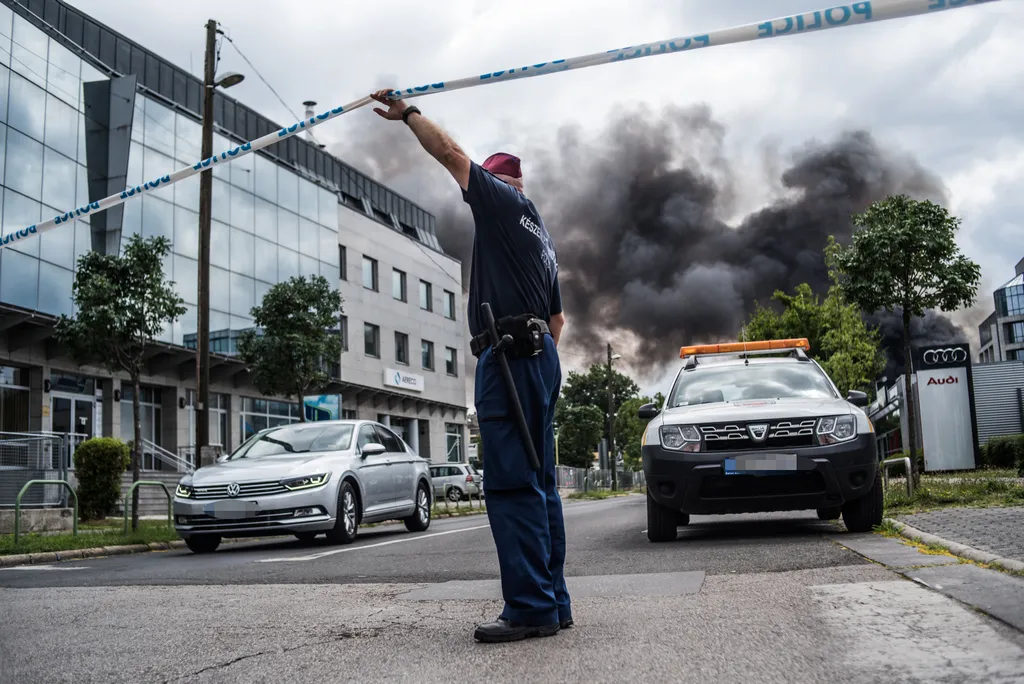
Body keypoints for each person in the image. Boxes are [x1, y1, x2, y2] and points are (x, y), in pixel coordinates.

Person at [370, 89, 571, 643]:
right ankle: (553, 601)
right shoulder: (541, 235)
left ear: (495, 185)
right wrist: (542, 365)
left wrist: (408, 113)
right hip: (537, 357)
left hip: (509, 357)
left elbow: (452, 153)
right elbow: (557, 321)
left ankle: (530, 608)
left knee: (510, 485)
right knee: (541, 484)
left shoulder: (503, 206)